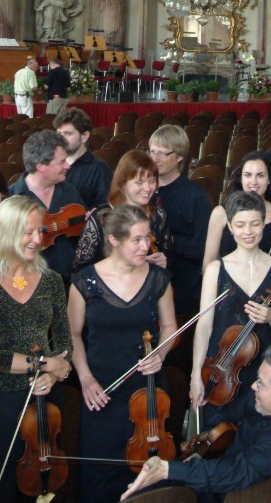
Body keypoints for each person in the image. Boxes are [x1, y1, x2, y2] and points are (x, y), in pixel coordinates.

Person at [0, 195, 72, 503]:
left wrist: (53, 376)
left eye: (40, 231)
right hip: (0, 401)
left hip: (46, 400)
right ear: (6, 231)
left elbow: (64, 343)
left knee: (45, 488)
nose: (38, 239)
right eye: (29, 232)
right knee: (3, 489)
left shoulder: (51, 280)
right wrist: (48, 365)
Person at [68, 205, 178, 502]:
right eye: (137, 240)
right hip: (102, 391)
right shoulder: (84, 282)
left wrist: (161, 354)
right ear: (114, 240)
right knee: (101, 476)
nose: (146, 246)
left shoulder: (159, 279)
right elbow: (73, 335)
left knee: (147, 475)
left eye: (147, 238)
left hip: (148, 390)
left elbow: (170, 327)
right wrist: (86, 378)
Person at [122, 344, 271, 500]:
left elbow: (236, 472)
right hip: (219, 478)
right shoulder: (259, 402)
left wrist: (169, 470)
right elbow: (224, 415)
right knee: (144, 489)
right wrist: (203, 448)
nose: (253, 386)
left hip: (237, 495)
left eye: (261, 384)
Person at [190, 192, 271, 420]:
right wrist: (196, 374)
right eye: (240, 225)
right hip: (221, 371)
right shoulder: (216, 270)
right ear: (230, 226)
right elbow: (204, 326)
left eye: (255, 224)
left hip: (263, 371)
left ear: (263, 224)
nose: (248, 232)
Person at [72, 150, 168, 274]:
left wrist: (164, 261)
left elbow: (168, 254)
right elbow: (79, 268)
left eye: (152, 181)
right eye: (139, 182)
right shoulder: (101, 217)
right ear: (123, 183)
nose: (148, 188)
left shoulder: (158, 215)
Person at [8, 129, 87, 282]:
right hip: (26, 284)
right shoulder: (12, 199)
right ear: (41, 166)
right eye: (61, 162)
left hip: (67, 283)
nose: (67, 166)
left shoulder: (69, 191)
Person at [150, 124, 212, 315]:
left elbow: (203, 246)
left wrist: (168, 246)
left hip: (181, 286)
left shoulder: (195, 197)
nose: (154, 158)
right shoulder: (143, 190)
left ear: (179, 157)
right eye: (151, 151)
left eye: (162, 153)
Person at [203, 151, 271, 273]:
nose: (254, 182)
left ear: (269, 179)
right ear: (240, 178)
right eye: (248, 175)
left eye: (260, 175)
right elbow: (209, 260)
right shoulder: (220, 213)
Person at [55, 107, 113, 209]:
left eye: (67, 133)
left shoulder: (99, 169)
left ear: (84, 136)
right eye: (59, 134)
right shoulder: (51, 165)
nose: (61, 139)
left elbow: (105, 210)